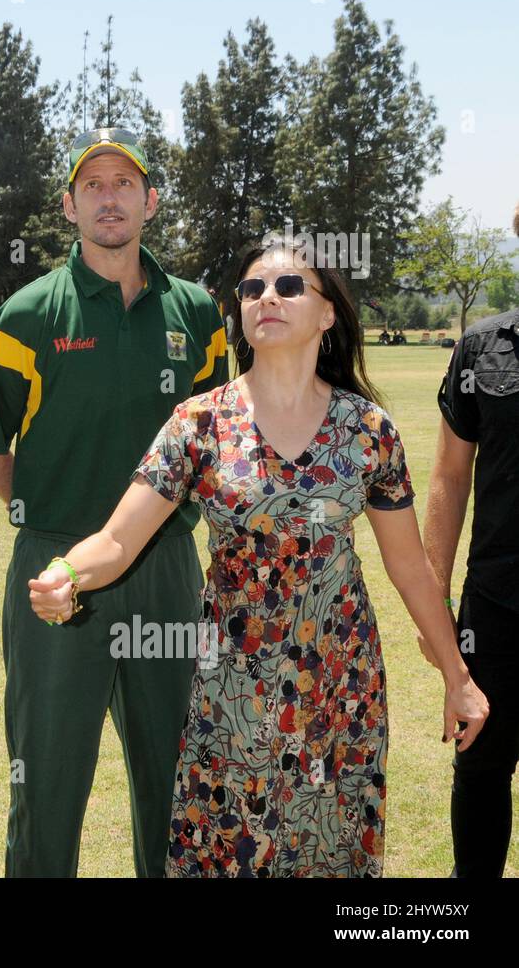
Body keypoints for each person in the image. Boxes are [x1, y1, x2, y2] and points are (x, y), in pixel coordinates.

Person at [30, 232, 490, 877]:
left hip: (338, 685)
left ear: (328, 314)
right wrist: (67, 572)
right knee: (232, 848)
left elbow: (408, 566)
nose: (265, 298)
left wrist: (457, 675)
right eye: (251, 288)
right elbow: (115, 540)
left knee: (326, 848)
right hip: (232, 687)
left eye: (289, 285)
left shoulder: (368, 432)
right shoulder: (198, 423)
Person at [0, 126, 229, 877]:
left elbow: (215, 438)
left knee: (178, 780)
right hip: (57, 571)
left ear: (149, 201)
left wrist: (138, 533)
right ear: (70, 206)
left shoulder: (198, 313)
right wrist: (49, 518)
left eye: (123, 185)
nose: (108, 198)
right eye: (92, 186)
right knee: (47, 784)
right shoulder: (25, 314)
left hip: (166, 570)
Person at [425, 201, 519, 878]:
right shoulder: (481, 348)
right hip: (495, 608)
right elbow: (449, 480)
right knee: (480, 767)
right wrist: (435, 609)